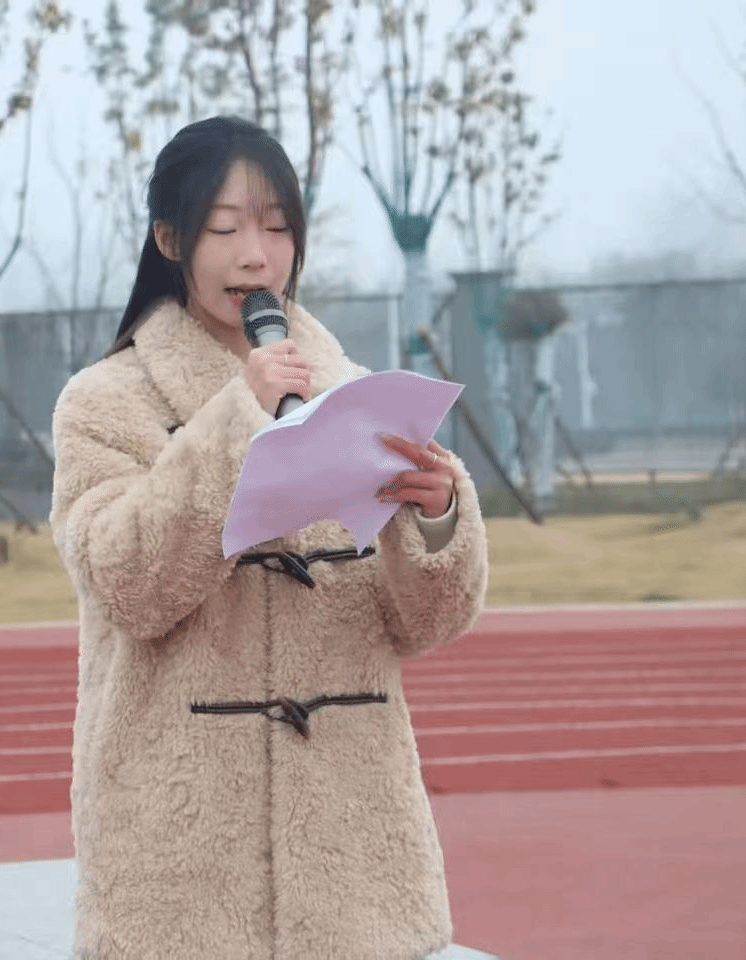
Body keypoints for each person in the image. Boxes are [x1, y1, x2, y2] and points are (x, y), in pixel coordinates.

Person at [48, 115, 490, 960]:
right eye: (225, 229)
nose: (256, 257)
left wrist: (434, 518)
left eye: (278, 228)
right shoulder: (104, 404)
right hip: (182, 860)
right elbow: (129, 588)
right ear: (170, 239)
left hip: (352, 856)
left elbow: (426, 625)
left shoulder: (357, 397)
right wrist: (234, 425)